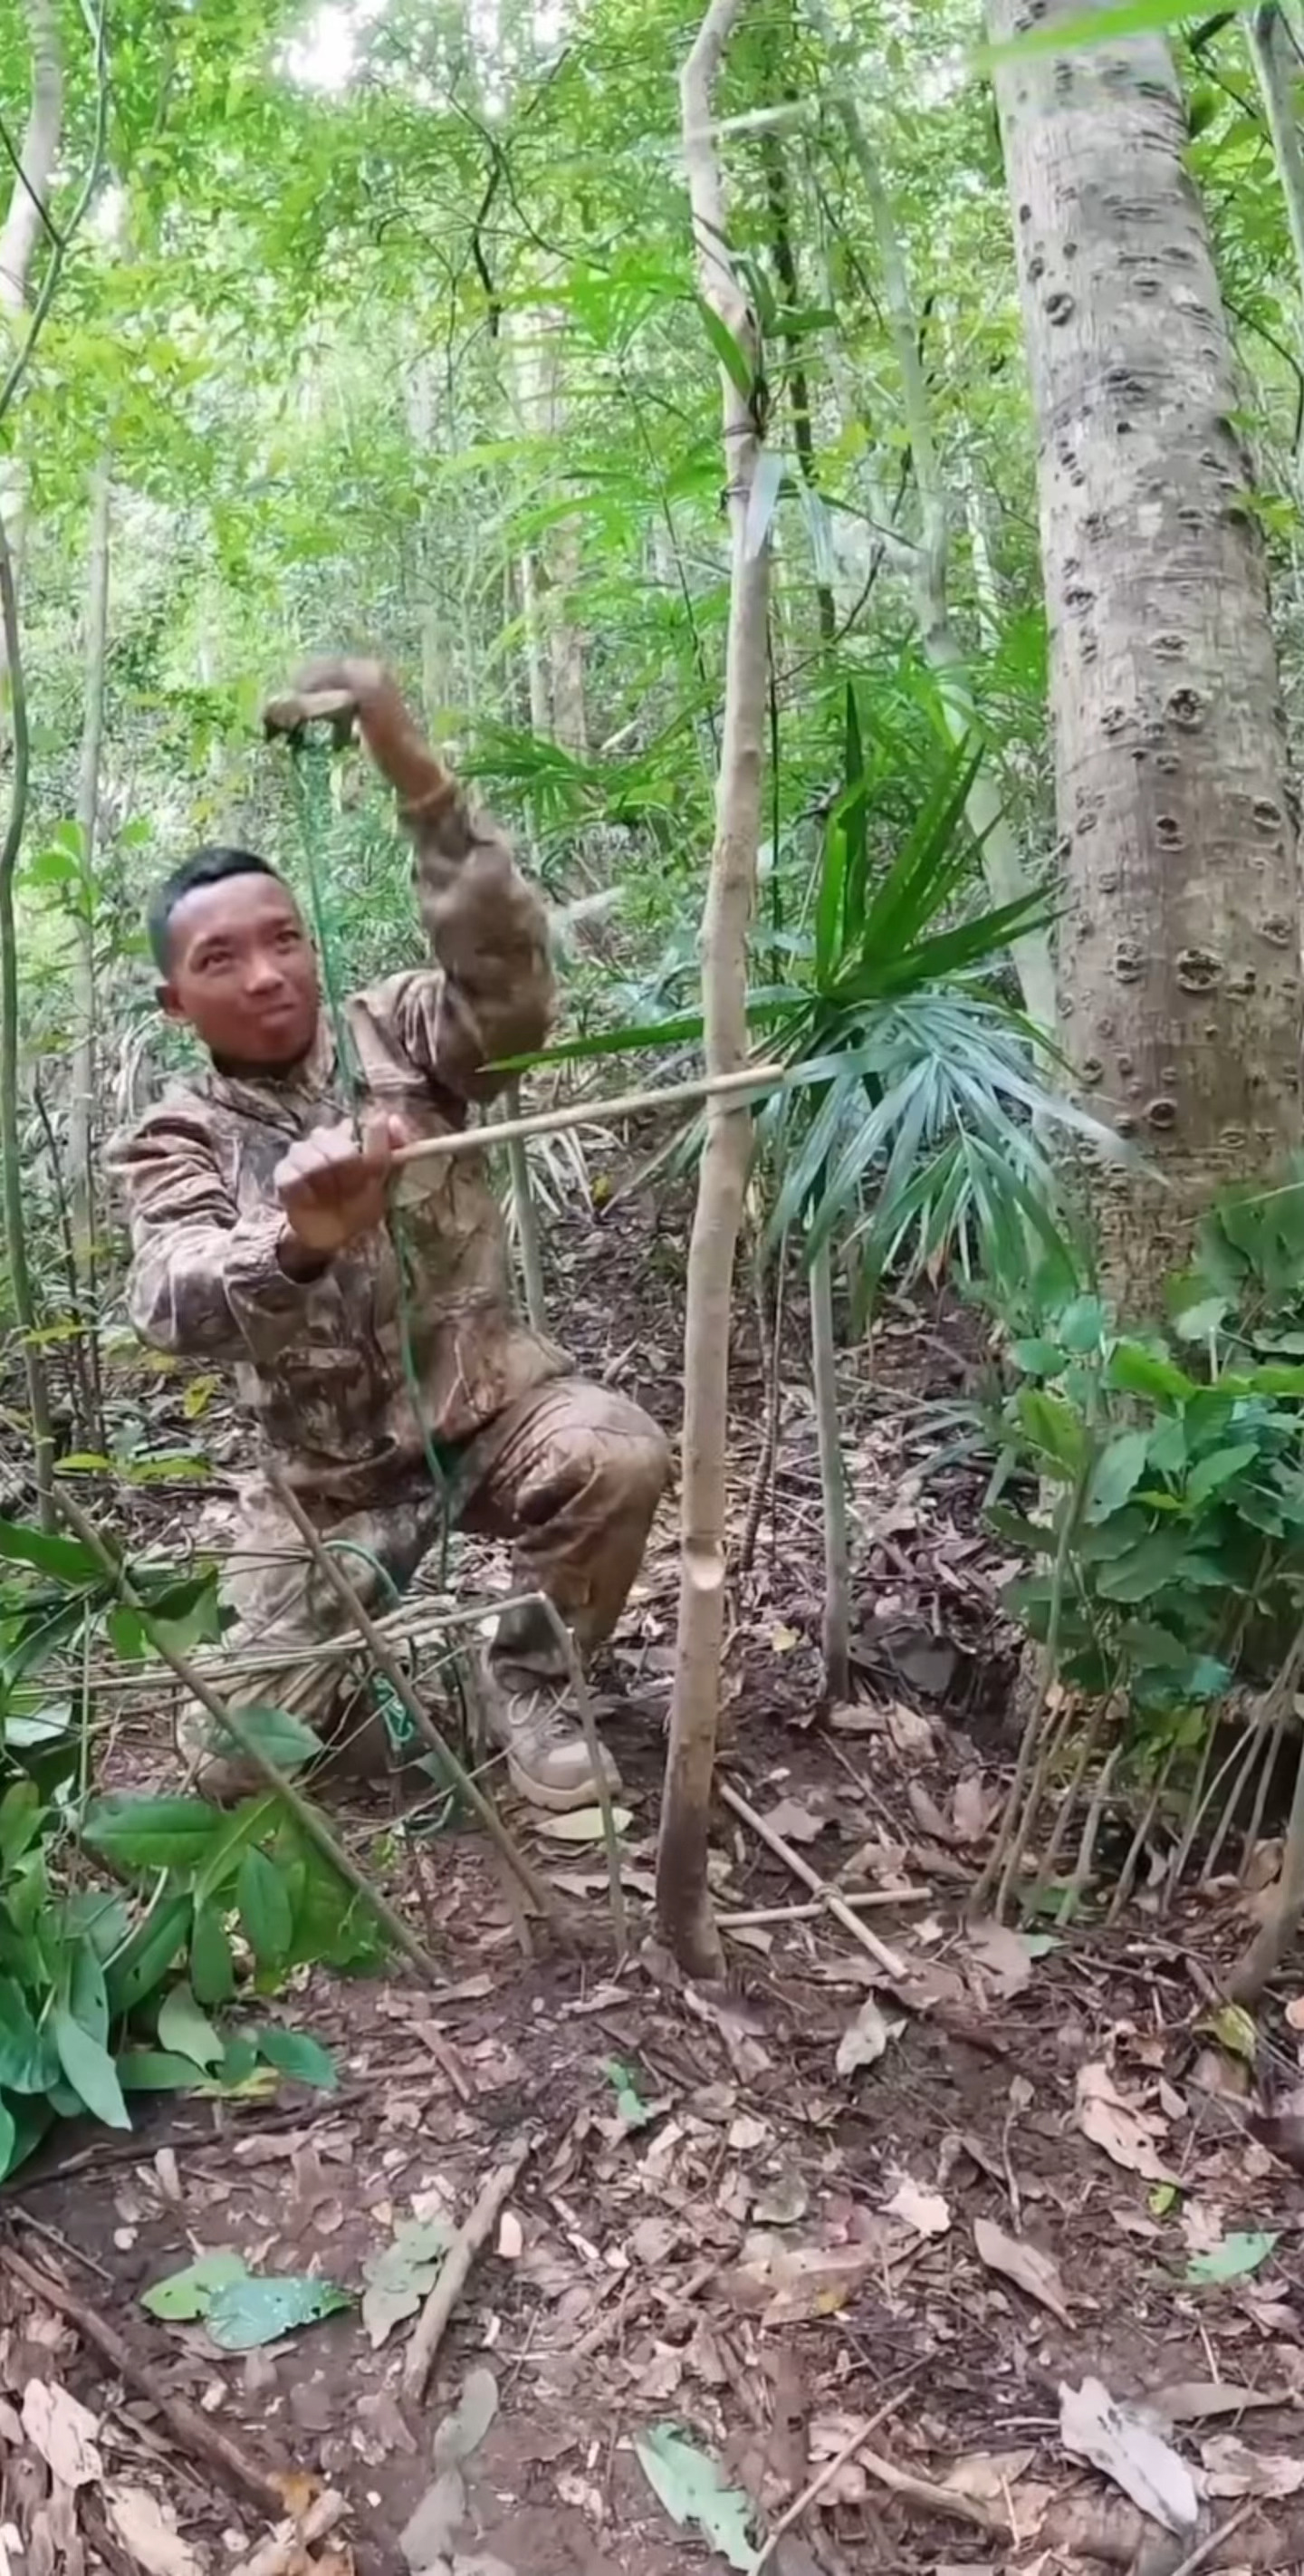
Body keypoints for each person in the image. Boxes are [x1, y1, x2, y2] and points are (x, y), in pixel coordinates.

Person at [108, 654, 671, 1811]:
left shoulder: (404, 1030)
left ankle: (535, 1680)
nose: (267, 976)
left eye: (286, 940)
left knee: (615, 1454)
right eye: (221, 960)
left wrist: (408, 759)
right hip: (332, 1484)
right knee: (223, 1764)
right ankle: (384, 1702)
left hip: (489, 1414)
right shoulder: (177, 1133)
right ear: (177, 1004)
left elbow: (510, 996)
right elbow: (170, 1295)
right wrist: (293, 1240)